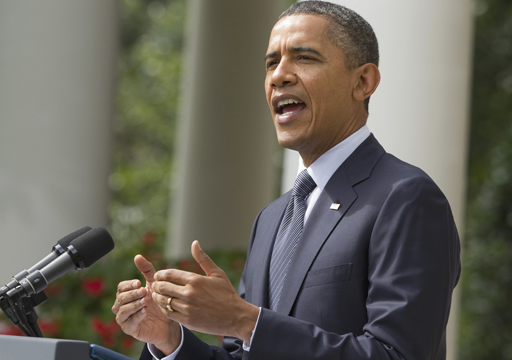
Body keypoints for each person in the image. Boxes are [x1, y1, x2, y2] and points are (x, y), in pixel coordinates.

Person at [111, 1, 461, 359]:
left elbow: (398, 354)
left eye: (305, 58)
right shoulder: (272, 218)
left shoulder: (405, 197)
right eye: (271, 63)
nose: (279, 75)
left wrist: (244, 320)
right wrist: (170, 341)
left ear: (362, 82)